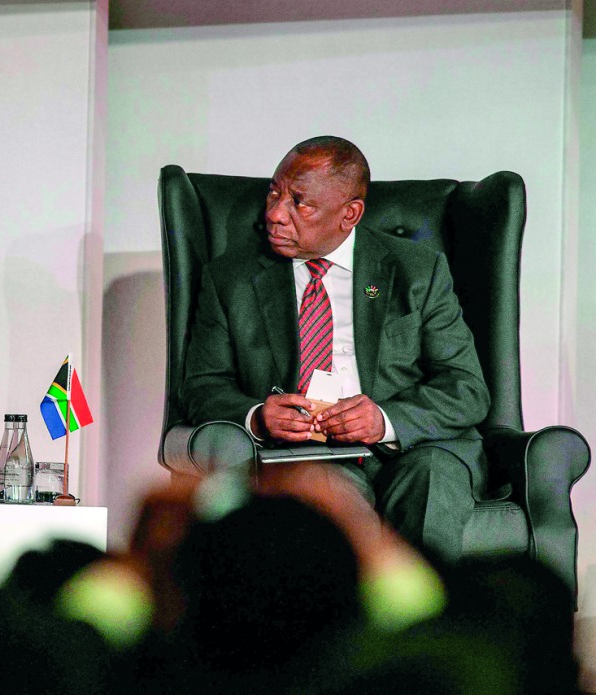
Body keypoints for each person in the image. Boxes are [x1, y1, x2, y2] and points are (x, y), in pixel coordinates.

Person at [179, 136, 489, 562]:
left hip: (416, 448)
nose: (275, 214)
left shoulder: (418, 271)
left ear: (350, 214)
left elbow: (466, 388)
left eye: (299, 203)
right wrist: (258, 416)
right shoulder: (230, 280)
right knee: (322, 496)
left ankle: (420, 604)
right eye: (274, 192)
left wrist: (384, 420)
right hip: (310, 456)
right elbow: (202, 386)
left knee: (432, 481)